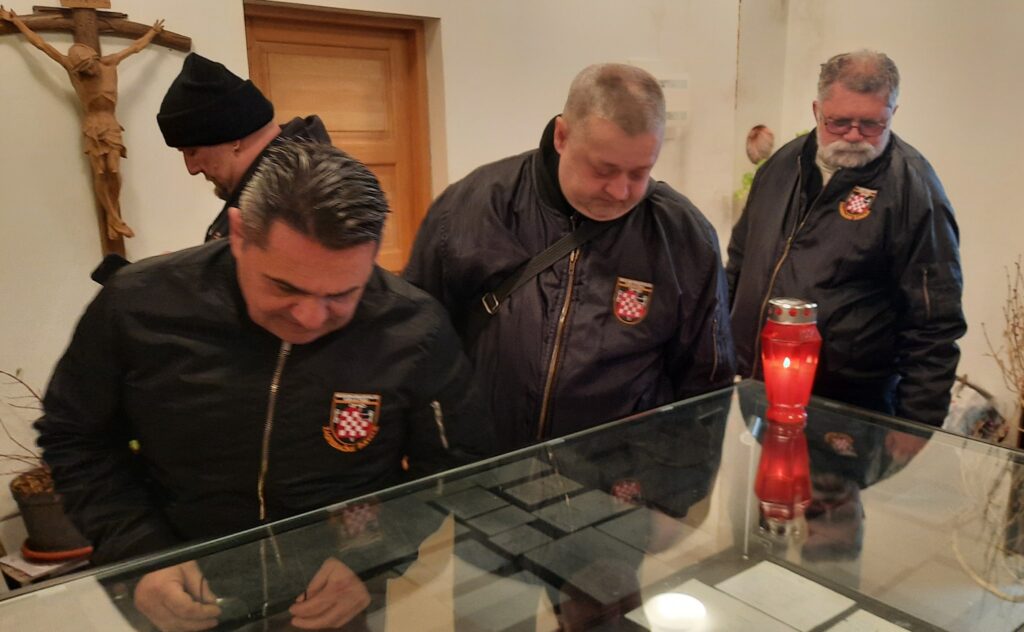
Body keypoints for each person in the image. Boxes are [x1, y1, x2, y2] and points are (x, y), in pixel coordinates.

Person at [36, 141, 494, 629]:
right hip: (182, 589)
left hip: (336, 593)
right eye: (284, 287)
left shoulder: (413, 328)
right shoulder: (139, 306)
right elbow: (75, 436)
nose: (311, 317)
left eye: (343, 294)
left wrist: (376, 558)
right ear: (238, 234)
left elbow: (455, 466)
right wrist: (139, 553)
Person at [404, 63, 736, 450]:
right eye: (604, 169)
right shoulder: (473, 206)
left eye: (639, 173)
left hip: (619, 475)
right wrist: (439, 461)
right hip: (488, 467)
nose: (620, 192)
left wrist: (664, 481)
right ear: (561, 136)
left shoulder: (684, 236)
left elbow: (705, 390)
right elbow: (419, 343)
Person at [727, 50, 966, 428]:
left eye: (871, 124)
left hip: (850, 411)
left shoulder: (914, 192)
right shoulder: (781, 166)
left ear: (893, 113)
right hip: (760, 390)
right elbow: (740, 264)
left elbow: (934, 326)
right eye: (839, 122)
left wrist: (916, 427)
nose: (854, 136)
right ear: (816, 110)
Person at [0, 6, 164, 240]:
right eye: (83, 70)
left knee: (114, 169)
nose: (88, 72)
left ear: (94, 59)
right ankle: (113, 217)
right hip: (92, 126)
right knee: (100, 171)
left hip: (111, 125)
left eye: (89, 66)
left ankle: (114, 217)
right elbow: (41, 45)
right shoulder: (73, 70)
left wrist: (153, 32)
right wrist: (17, 22)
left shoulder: (110, 63)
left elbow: (136, 47)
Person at [156, 52, 332, 242]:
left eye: (192, 152)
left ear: (233, 136)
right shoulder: (268, 188)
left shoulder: (297, 199)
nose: (192, 169)